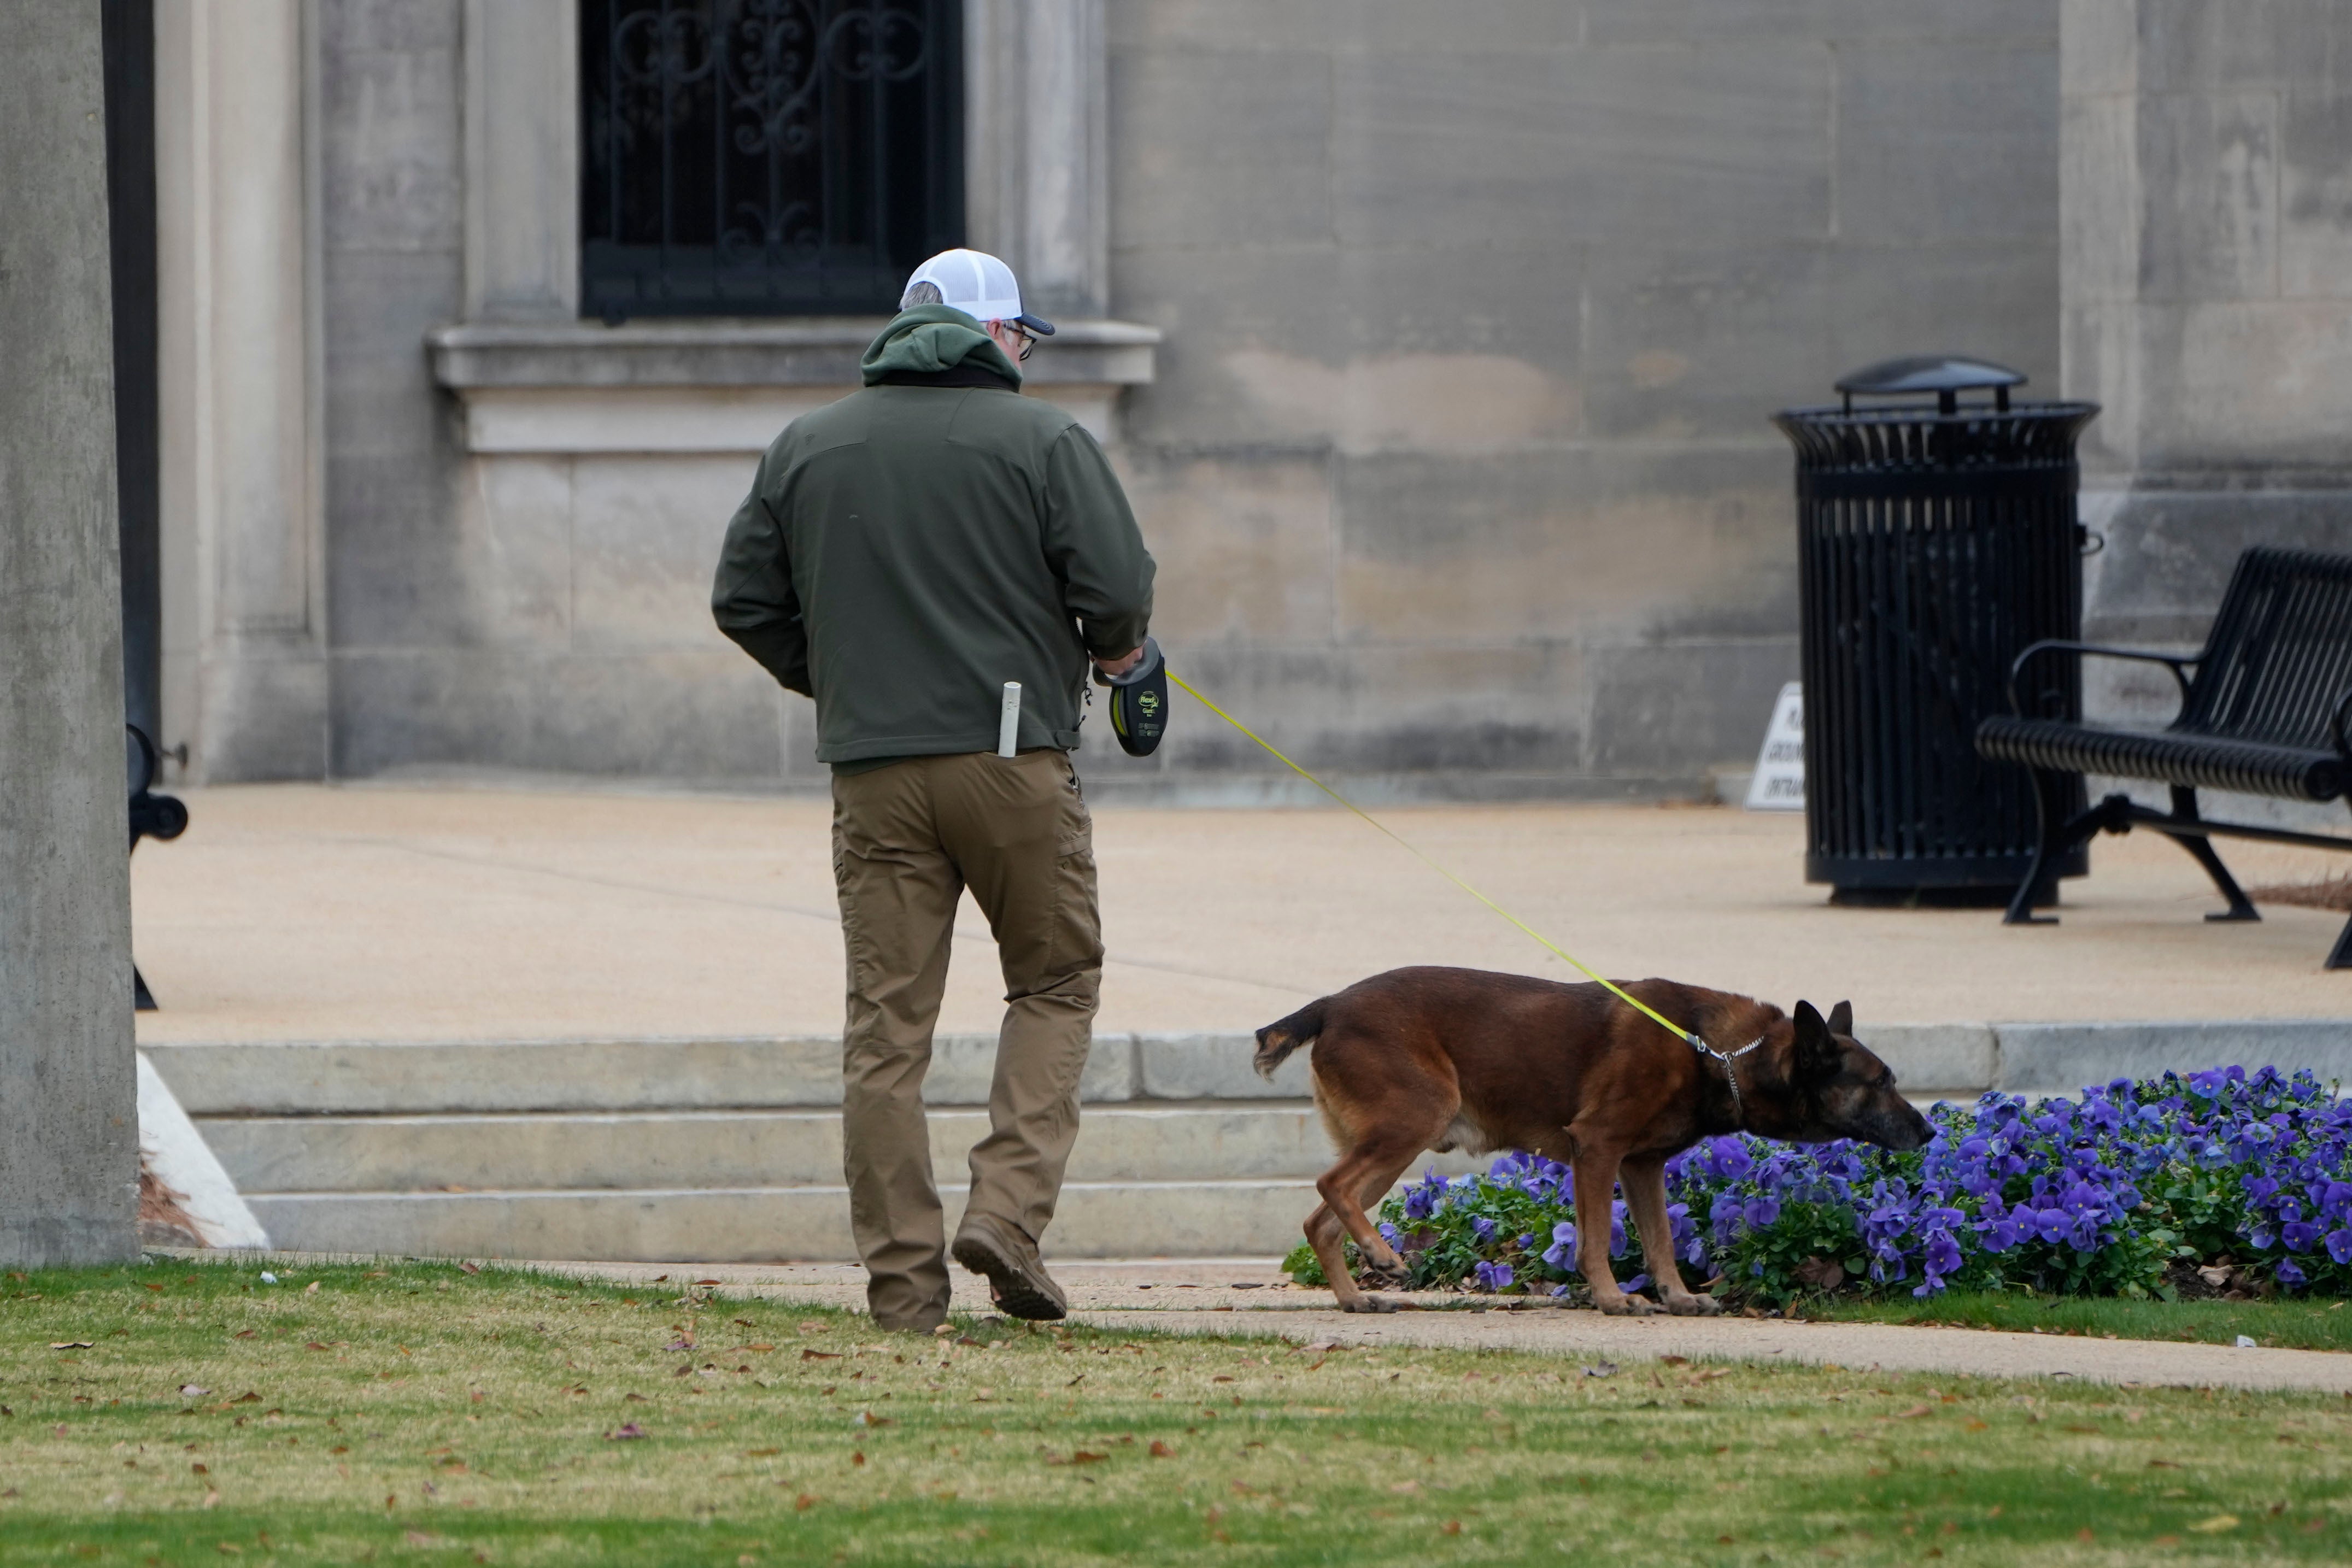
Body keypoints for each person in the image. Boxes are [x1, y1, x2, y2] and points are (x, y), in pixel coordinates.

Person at [711, 249, 1156, 1331]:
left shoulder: (806, 444)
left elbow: (743, 601)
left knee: (886, 1032)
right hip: (1013, 759)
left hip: (871, 767)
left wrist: (847, 682)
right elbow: (1116, 593)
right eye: (1024, 336)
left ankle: (904, 1289)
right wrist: (1112, 656)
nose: (1027, 351)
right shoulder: (1046, 439)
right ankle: (1006, 1211)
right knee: (1053, 983)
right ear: (995, 337)